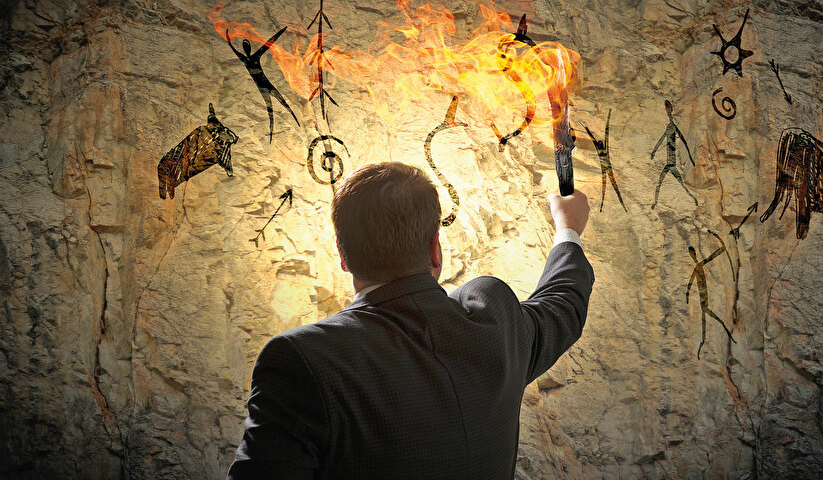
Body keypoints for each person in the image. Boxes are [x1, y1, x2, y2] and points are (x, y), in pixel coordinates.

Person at [228, 162, 594, 478]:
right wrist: (568, 230)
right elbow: (563, 302)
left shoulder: (302, 360)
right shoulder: (497, 328)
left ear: (343, 255)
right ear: (436, 247)